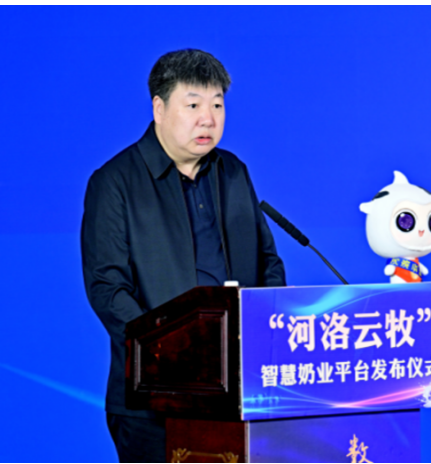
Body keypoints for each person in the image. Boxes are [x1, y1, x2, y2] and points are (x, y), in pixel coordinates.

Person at [80, 49, 286, 463]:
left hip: (238, 393)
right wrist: (171, 350)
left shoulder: (233, 172)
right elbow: (108, 289)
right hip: (153, 403)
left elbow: (268, 263)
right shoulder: (115, 182)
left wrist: (270, 329)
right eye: (193, 105)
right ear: (159, 108)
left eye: (217, 105)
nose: (208, 119)